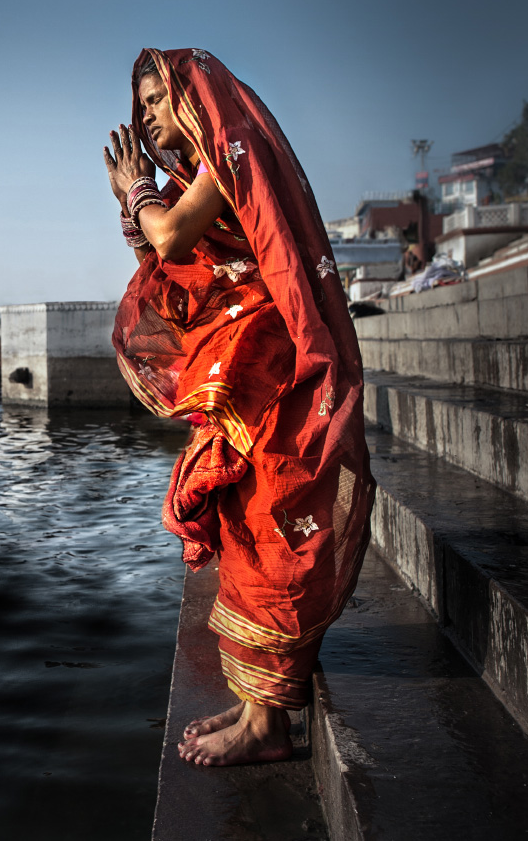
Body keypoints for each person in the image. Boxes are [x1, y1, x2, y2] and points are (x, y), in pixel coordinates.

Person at [103, 48, 375, 766]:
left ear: (193, 99)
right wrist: (138, 204)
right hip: (250, 380)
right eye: (144, 107)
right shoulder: (198, 175)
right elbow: (178, 268)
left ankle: (268, 726)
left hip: (277, 378)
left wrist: (138, 193)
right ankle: (259, 702)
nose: (148, 118)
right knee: (245, 518)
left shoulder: (228, 156)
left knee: (273, 521)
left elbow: (172, 236)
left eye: (158, 100)